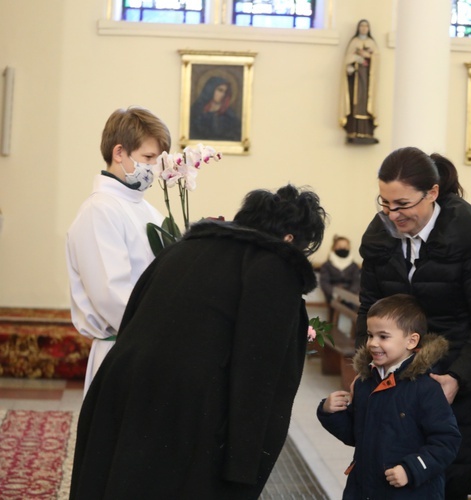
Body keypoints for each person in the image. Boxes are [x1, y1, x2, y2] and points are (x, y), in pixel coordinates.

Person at [69, 184, 327, 499]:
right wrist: (243, 466)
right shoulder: (273, 267)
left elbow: (133, 315)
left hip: (120, 384)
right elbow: (260, 374)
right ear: (290, 240)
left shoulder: (183, 248)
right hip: (187, 408)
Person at [357, 147, 471, 498]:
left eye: (403, 204)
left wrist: (457, 378)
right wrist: (365, 369)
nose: (393, 214)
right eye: (385, 202)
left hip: (454, 388)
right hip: (392, 392)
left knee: (446, 483)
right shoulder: (380, 241)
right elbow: (368, 308)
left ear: (433, 193)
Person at [66, 106, 171, 394]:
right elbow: (113, 297)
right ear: (119, 153)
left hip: (148, 347)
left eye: (159, 160)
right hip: (123, 352)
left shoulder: (147, 209)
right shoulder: (99, 210)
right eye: (148, 158)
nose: (155, 169)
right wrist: (170, 328)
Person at [318, 294, 461, 499]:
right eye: (370, 335)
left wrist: (411, 469)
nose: (372, 343)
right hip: (364, 488)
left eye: (383, 337)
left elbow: (447, 441)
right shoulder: (365, 382)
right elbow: (355, 434)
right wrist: (329, 412)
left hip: (410, 492)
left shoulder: (425, 386)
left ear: (411, 341)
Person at [339, 19, 379, 144]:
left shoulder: (372, 43)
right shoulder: (354, 42)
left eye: (366, 26)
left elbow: (376, 59)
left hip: (366, 80)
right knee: (355, 102)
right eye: (362, 26)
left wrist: (368, 56)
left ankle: (366, 131)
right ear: (358, 28)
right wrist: (356, 58)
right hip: (355, 79)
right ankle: (353, 129)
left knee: (365, 102)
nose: (364, 28)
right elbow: (347, 60)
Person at [190, 76, 241, 141]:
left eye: (225, 92)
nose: (223, 94)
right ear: (211, 89)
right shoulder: (196, 110)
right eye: (220, 90)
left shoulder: (229, 115)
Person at [318, 235, 360, 304]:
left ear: (349, 248)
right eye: (339, 247)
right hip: (333, 295)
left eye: (345, 247)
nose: (342, 248)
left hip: (350, 295)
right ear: (334, 248)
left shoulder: (354, 266)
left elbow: (356, 282)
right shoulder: (327, 265)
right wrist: (335, 294)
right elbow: (324, 283)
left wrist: (348, 295)